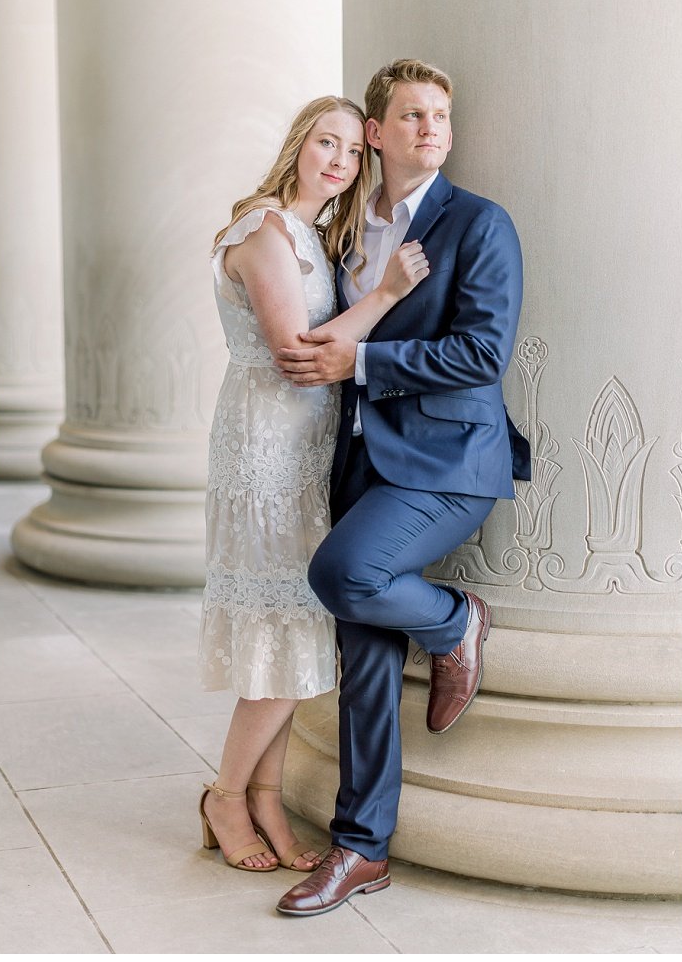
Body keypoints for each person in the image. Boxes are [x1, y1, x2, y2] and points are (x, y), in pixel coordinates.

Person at [271, 59, 530, 916]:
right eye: (412, 115)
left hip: (452, 462)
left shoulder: (481, 225)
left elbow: (483, 354)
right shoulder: (349, 231)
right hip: (361, 460)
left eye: (441, 116)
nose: (431, 129)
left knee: (344, 576)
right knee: (363, 652)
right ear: (376, 134)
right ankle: (361, 849)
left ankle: (458, 621)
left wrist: (365, 359)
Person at [199, 96, 431, 872]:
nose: (338, 160)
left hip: (305, 453)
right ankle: (226, 798)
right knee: (280, 621)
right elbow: (296, 350)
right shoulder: (265, 231)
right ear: (299, 146)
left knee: (299, 626)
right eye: (324, 143)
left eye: (351, 151)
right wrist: (388, 293)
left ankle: (266, 797)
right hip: (264, 452)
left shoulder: (311, 236)